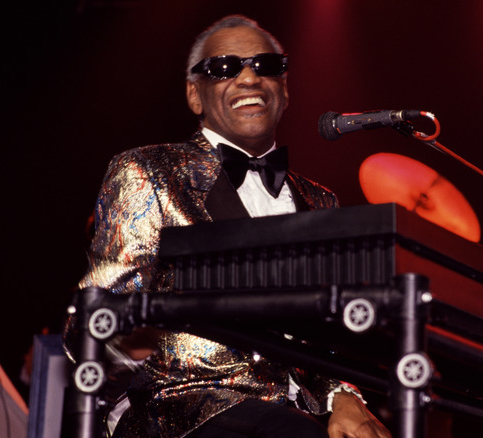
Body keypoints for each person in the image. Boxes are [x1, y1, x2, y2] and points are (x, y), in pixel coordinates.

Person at [68, 14, 391, 438]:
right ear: (194, 94)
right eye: (223, 67)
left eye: (267, 66)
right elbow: (95, 320)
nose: (248, 77)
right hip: (184, 408)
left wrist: (345, 397)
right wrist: (129, 343)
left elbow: (330, 339)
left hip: (298, 414)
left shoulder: (321, 201)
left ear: (285, 88)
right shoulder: (147, 171)